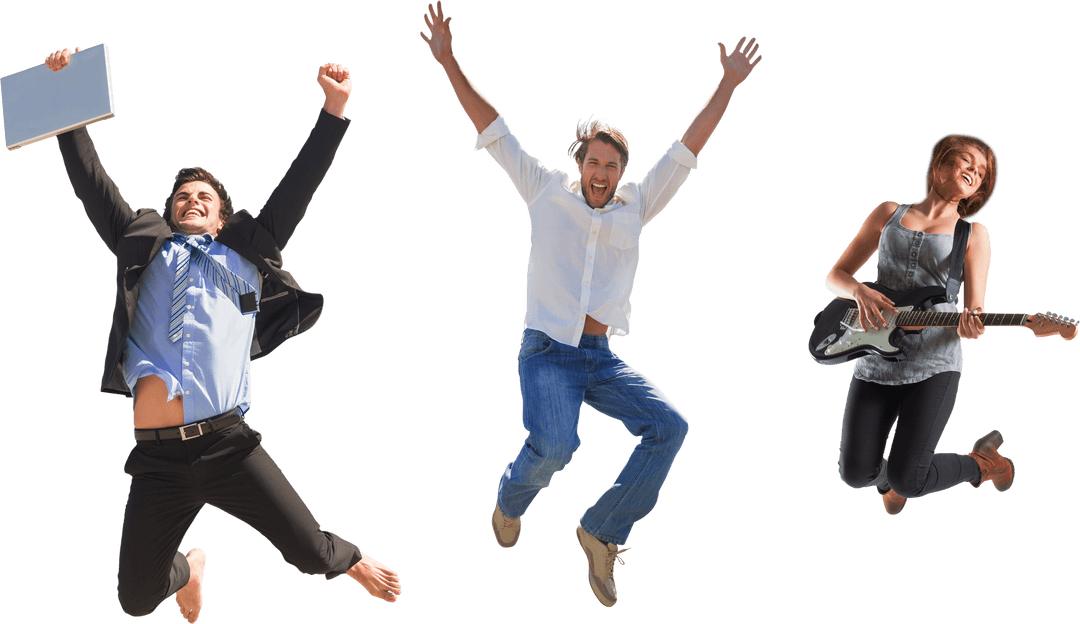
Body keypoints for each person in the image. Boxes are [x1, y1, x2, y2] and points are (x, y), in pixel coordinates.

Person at [419, 1, 761, 608]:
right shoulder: (546, 191)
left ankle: (603, 530)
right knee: (555, 447)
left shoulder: (639, 204)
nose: (601, 174)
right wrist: (449, 61)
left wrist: (728, 83)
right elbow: (493, 126)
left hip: (599, 357)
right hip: (547, 350)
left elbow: (689, 145)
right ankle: (508, 500)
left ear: (623, 170)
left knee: (670, 427)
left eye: (612, 165)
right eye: (593, 162)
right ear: (578, 160)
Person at [44, 47, 402, 622]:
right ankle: (191, 570)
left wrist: (333, 108)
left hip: (227, 445)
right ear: (168, 212)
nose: (192, 201)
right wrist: (66, 99)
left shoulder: (248, 255)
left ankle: (350, 557)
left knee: (311, 554)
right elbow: (91, 183)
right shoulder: (143, 246)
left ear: (221, 217)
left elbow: (299, 183)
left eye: (204, 198)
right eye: (182, 196)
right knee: (136, 601)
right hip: (156, 460)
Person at [825, 132, 1016, 516]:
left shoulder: (974, 235)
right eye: (966, 161)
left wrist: (971, 324)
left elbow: (975, 309)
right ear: (939, 163)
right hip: (875, 356)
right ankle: (892, 483)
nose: (972, 172)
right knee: (857, 475)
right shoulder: (888, 212)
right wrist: (859, 292)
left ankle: (983, 463)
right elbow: (836, 276)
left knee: (909, 480)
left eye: (980, 173)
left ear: (979, 189)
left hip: (934, 363)